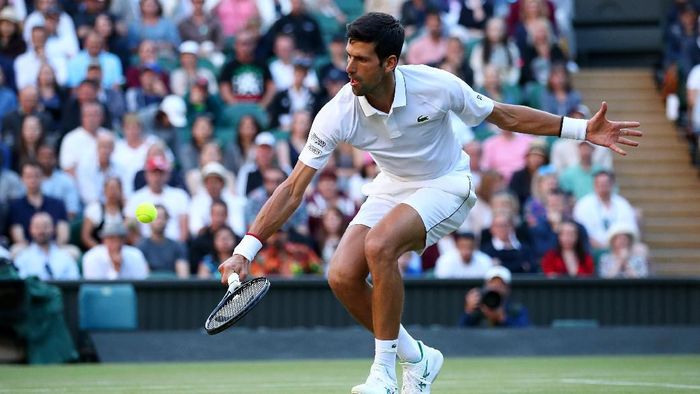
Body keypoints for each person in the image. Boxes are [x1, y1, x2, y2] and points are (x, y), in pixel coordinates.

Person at [217, 13, 641, 394]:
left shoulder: (437, 86)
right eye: (348, 56)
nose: (349, 68)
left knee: (380, 246)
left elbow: (504, 116)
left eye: (361, 59)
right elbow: (293, 188)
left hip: (447, 184)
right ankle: (418, 358)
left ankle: (383, 374)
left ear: (390, 63)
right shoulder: (337, 112)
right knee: (342, 275)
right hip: (392, 186)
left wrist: (580, 129)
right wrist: (244, 250)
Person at [13, 212, 79, 280]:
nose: (41, 231)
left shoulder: (66, 257)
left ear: (53, 228)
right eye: (37, 227)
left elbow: (74, 282)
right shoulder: (22, 258)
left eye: (45, 226)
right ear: (30, 229)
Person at [459, 265, 530, 328]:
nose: (496, 286)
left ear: (507, 288)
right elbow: (460, 333)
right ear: (485, 285)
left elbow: (526, 334)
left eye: (500, 284)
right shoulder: (477, 308)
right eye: (492, 283)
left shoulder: (516, 310)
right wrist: (469, 310)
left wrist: (502, 318)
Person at [82, 221, 150, 280]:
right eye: (111, 238)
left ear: (124, 240)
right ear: (103, 240)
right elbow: (93, 288)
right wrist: (115, 269)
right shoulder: (91, 257)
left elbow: (141, 284)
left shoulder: (136, 255)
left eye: (119, 238)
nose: (116, 243)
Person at [137, 205, 189, 278]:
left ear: (167, 220)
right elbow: (143, 276)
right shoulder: (141, 247)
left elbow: (183, 276)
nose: (159, 221)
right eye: (156, 218)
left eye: (162, 217)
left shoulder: (177, 246)